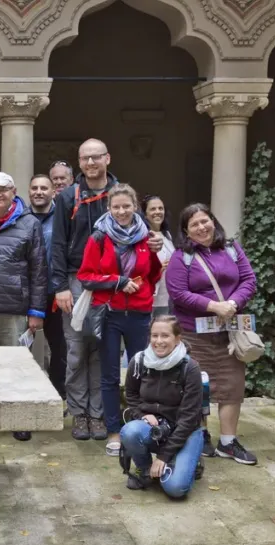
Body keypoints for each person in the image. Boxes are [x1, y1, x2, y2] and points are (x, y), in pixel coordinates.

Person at [165, 203, 258, 465]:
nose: (201, 227)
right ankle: (201, 435)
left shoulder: (231, 248)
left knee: (232, 385)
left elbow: (249, 280)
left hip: (230, 331)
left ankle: (228, 442)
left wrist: (233, 304)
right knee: (199, 386)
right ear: (186, 231)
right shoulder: (181, 257)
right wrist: (213, 306)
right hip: (195, 332)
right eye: (194, 224)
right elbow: (178, 293)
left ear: (213, 222)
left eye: (205, 221)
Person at [76, 184, 164, 456]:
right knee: (110, 375)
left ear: (135, 206)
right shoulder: (99, 238)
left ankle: (139, 428)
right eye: (117, 207)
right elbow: (86, 276)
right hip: (109, 314)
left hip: (139, 313)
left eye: (127, 206)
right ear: (109, 209)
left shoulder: (147, 238)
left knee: (142, 373)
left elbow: (153, 274)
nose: (122, 211)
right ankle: (114, 431)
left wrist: (156, 256)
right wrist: (118, 282)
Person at [0, 172, 47, 442]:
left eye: (3, 190)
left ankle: (19, 418)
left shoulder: (29, 224)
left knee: (17, 367)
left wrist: (37, 312)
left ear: (13, 191)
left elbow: (39, 270)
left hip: (14, 307)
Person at [52, 139, 118, 443]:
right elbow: (58, 244)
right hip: (76, 279)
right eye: (85, 158)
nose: (91, 163)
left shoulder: (120, 194)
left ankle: (98, 413)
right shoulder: (68, 197)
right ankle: (79, 412)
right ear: (79, 163)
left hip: (112, 281)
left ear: (107, 158)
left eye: (96, 157)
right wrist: (61, 287)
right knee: (77, 349)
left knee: (103, 348)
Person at [120, 315, 204, 498]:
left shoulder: (190, 368)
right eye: (154, 335)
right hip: (155, 428)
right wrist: (141, 415)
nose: (159, 341)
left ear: (177, 338)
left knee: (176, 489)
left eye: (165, 336)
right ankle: (146, 471)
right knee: (129, 431)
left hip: (184, 430)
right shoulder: (139, 361)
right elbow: (131, 395)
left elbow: (189, 418)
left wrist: (163, 456)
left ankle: (183, 460)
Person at [29, 174, 66, 400]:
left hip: (55, 293)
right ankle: (29, 397)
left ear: (53, 192)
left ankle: (57, 396)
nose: (39, 191)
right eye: (34, 188)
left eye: (44, 187)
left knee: (59, 348)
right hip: (27, 294)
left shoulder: (62, 218)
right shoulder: (21, 218)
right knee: (26, 350)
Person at [142, 195, 176, 316]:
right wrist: (159, 267)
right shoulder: (142, 236)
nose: (157, 212)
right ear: (145, 214)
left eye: (160, 208)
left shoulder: (167, 235)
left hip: (167, 295)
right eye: (153, 209)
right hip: (150, 296)